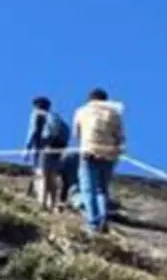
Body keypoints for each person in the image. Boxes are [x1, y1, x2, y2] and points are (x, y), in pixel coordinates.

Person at [71, 88, 125, 233]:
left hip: (89, 152)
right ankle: (103, 218)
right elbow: (120, 135)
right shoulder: (114, 112)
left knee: (88, 189)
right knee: (102, 189)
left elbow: (76, 134)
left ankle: (94, 223)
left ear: (90, 99)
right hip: (109, 154)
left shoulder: (81, 111)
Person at [24, 96, 70, 211]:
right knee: (52, 175)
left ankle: (43, 202)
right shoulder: (55, 117)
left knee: (42, 174)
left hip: (45, 147)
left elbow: (33, 131)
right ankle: (53, 203)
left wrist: (27, 149)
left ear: (36, 106)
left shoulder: (36, 115)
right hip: (58, 148)